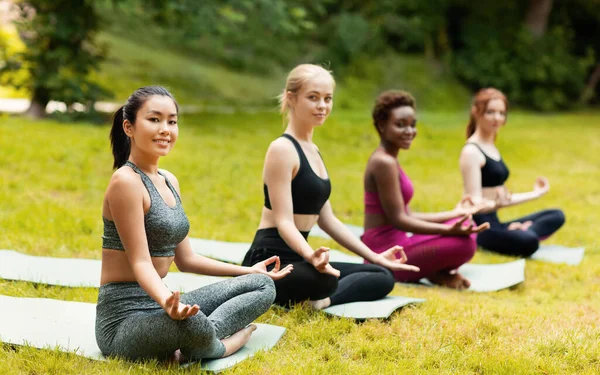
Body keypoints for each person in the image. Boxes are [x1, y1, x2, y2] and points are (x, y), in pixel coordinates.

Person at [96, 86, 292, 362]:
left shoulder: (169, 181)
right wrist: (168, 305)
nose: (165, 129)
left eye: (172, 121)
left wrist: (248, 270)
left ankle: (198, 340)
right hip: (123, 323)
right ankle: (220, 346)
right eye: (154, 119)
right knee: (192, 320)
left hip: (162, 305)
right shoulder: (125, 182)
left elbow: (186, 259)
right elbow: (141, 263)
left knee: (262, 285)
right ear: (129, 127)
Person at [242, 65, 420, 310]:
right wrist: (310, 256)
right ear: (292, 98)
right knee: (324, 278)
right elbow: (284, 222)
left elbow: (327, 219)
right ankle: (309, 291)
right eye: (313, 97)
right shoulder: (282, 149)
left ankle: (323, 302)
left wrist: (375, 255)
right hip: (270, 259)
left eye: (327, 99)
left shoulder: (313, 150)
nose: (322, 106)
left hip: (301, 258)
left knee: (381, 273)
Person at [361, 90, 489, 290]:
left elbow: (408, 214)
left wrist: (456, 214)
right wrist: (448, 229)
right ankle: (434, 273)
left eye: (413, 125)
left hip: (400, 243)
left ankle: (435, 272)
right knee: (465, 243)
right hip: (383, 254)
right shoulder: (383, 162)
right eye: (400, 125)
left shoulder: (390, 159)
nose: (409, 131)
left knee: (465, 226)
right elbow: (399, 220)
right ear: (381, 126)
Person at [459, 87, 565, 257]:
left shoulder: (490, 145)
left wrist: (535, 194)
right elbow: (474, 205)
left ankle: (521, 231)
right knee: (528, 241)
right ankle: (522, 233)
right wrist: (497, 204)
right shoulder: (471, 151)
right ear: (476, 112)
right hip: (481, 230)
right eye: (490, 112)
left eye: (501, 113)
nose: (497, 118)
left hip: (497, 224)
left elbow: (502, 198)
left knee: (556, 215)